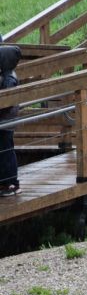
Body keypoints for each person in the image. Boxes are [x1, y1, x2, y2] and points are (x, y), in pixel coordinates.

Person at [0, 45, 22, 196]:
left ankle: (11, 183)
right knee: (3, 152)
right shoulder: (6, 75)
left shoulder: (10, 79)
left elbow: (7, 101)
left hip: (6, 122)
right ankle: (5, 182)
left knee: (6, 152)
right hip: (4, 121)